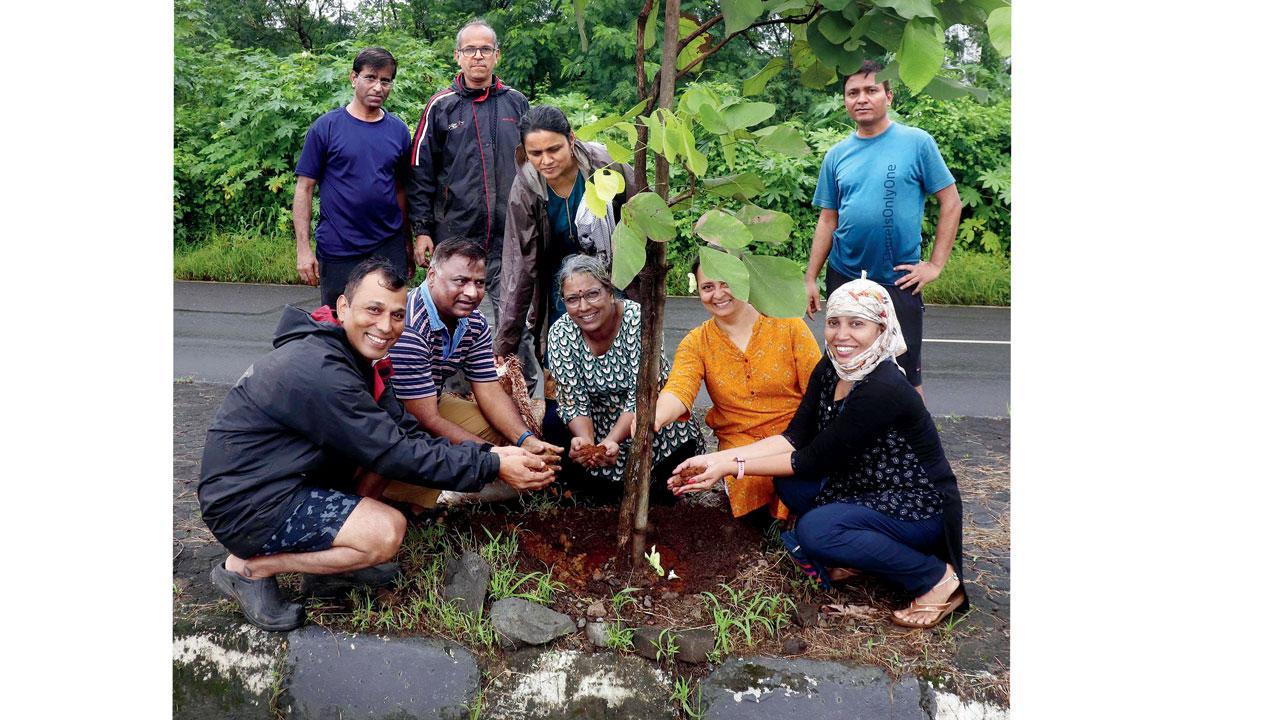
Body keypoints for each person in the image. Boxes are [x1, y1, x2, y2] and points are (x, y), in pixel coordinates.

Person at [198, 258, 554, 631]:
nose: (386, 327)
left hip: (287, 476)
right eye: (374, 310)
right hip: (246, 503)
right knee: (385, 532)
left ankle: (330, 570)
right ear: (342, 307)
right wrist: (494, 466)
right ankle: (247, 569)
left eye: (397, 315)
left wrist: (492, 454)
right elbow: (396, 453)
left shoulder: (356, 358)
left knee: (380, 461)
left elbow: (404, 432)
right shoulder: (322, 369)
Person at [669, 275, 967, 630]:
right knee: (791, 487)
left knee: (816, 532)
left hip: (919, 504)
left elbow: (809, 460)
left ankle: (937, 579)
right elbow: (796, 437)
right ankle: (861, 554)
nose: (842, 336)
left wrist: (732, 466)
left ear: (881, 327)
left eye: (857, 324)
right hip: (866, 483)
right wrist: (718, 459)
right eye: (834, 323)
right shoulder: (831, 368)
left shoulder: (883, 387)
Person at [803, 60, 962, 398]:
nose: (861, 98)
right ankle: (847, 446)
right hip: (845, 276)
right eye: (852, 92)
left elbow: (951, 203)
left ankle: (913, 450)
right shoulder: (836, 155)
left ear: (888, 96)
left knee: (906, 373)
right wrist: (810, 278)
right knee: (844, 367)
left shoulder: (917, 143)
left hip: (899, 277)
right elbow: (828, 219)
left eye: (871, 90)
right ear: (845, 100)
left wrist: (934, 266)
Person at [381, 237, 563, 512]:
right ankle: (399, 498)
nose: (471, 292)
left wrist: (526, 441)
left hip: (428, 403)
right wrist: (497, 458)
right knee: (425, 449)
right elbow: (425, 419)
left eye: (479, 283)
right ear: (431, 276)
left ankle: (454, 481)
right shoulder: (409, 326)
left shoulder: (473, 322)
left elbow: (488, 388)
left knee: (500, 429)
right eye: (460, 281)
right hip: (389, 419)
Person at [406, 19, 538, 390]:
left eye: (485, 49)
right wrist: (422, 231)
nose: (477, 56)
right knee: (456, 316)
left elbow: (533, 164)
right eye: (470, 50)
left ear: (496, 55)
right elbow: (420, 173)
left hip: (510, 236)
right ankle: (456, 395)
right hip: (456, 237)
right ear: (457, 57)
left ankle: (522, 395)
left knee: (515, 319)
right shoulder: (441, 107)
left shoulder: (516, 103)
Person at [647, 256, 822, 521]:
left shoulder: (788, 324)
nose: (718, 295)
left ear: (743, 280)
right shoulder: (696, 342)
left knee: (803, 488)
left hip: (796, 433)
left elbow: (819, 390)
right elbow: (679, 389)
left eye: (726, 284)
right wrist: (655, 417)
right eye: (708, 287)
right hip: (739, 439)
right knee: (751, 495)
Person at [544, 255, 703, 504]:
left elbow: (643, 393)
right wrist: (587, 443)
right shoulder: (561, 332)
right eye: (572, 299)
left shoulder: (638, 320)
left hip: (647, 419)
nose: (584, 307)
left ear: (610, 292)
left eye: (592, 294)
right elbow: (572, 399)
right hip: (597, 423)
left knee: (661, 495)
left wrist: (612, 440)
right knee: (558, 436)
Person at [496, 105, 636, 370]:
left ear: (571, 139)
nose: (546, 161)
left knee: (622, 350)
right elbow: (519, 266)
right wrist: (506, 340)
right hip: (560, 285)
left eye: (554, 150)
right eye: (535, 153)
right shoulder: (526, 188)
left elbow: (642, 221)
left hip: (614, 274)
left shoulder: (606, 164)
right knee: (564, 355)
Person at [293, 47, 413, 310]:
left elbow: (401, 189)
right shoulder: (326, 128)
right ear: (353, 78)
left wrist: (407, 242)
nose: (378, 87)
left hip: (387, 245)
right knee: (339, 324)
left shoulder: (398, 131)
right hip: (339, 246)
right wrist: (303, 249)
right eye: (370, 77)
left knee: (388, 321)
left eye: (386, 80)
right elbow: (304, 188)